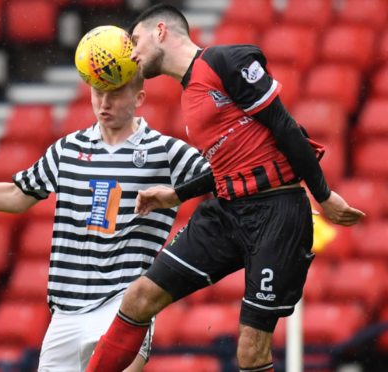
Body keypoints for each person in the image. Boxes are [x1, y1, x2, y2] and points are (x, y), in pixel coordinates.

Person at [86, 5, 366, 372]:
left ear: (160, 31)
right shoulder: (189, 96)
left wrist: (324, 195)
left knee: (250, 352)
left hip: (276, 211)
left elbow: (283, 126)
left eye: (134, 41)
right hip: (227, 212)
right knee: (138, 296)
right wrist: (178, 193)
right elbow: (226, 164)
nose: (132, 54)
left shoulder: (225, 61)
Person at [0, 69, 213, 372]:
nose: (104, 103)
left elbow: (222, 175)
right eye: (97, 92)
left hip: (123, 304)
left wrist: (177, 199)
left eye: (115, 94)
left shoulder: (166, 152)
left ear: (139, 97)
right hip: (65, 312)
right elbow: (16, 196)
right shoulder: (67, 149)